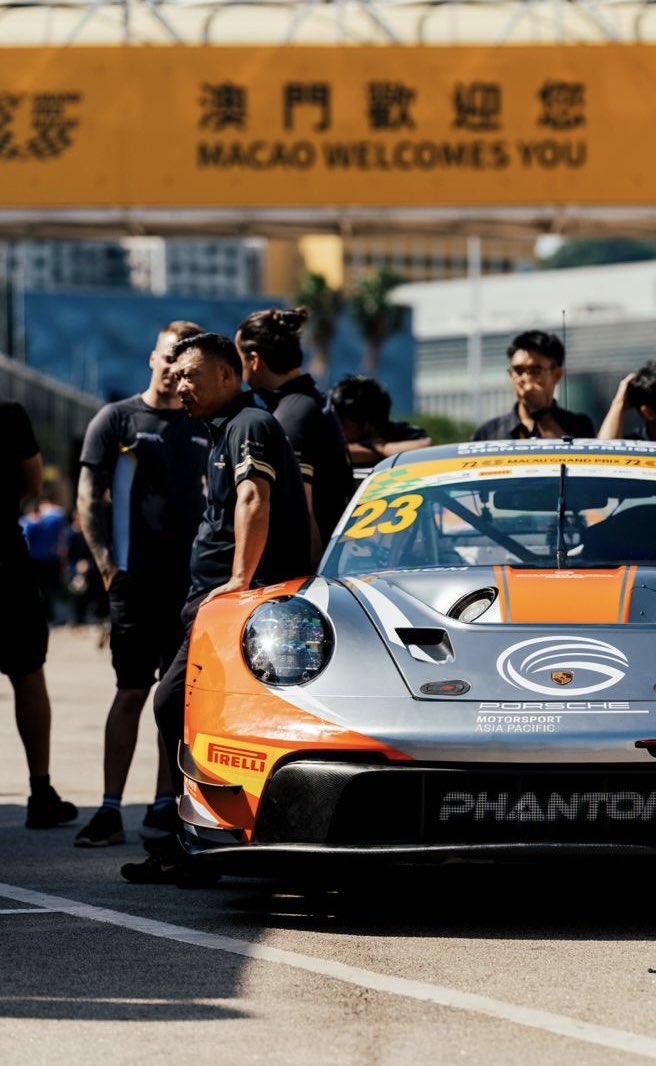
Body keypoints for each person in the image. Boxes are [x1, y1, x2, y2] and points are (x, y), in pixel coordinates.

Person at [121, 332, 310, 884]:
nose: (182, 386)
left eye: (192, 376)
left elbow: (256, 496)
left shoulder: (249, 425)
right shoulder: (220, 432)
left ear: (229, 376)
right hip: (214, 606)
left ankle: (199, 842)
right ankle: (193, 843)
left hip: (238, 609)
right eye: (176, 376)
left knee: (171, 704)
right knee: (191, 715)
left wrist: (237, 581)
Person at [74, 320, 209, 848]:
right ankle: (109, 807)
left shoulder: (208, 425)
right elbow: (88, 499)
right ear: (152, 357)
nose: (176, 367)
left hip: (192, 589)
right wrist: (109, 568)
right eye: (169, 355)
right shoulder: (117, 420)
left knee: (175, 701)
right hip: (133, 581)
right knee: (131, 691)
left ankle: (162, 803)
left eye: (187, 359)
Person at [0, 400, 77, 828]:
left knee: (30, 673)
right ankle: (40, 789)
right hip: (5, 562)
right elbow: (30, 484)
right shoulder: (10, 415)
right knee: (29, 675)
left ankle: (42, 791)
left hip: (9, 564)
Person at [236, 306, 352, 562]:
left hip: (307, 574)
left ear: (254, 361)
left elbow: (304, 510)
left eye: (239, 359)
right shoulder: (310, 401)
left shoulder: (292, 415)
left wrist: (312, 584)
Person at [472, 330, 594, 441]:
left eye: (535, 371)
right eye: (518, 371)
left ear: (557, 375)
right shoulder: (489, 434)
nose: (524, 379)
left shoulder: (579, 426)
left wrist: (541, 413)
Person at [330, 375, 431, 468]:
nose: (338, 429)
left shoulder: (398, 432)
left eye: (344, 425)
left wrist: (378, 447)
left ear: (369, 425)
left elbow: (425, 447)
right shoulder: (332, 440)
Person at [20, 487, 68, 624]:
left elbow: (26, 538)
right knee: (52, 588)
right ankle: (51, 614)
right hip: (52, 557)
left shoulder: (30, 519)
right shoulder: (59, 515)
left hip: (34, 558)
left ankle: (41, 614)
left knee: (37, 588)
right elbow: (62, 538)